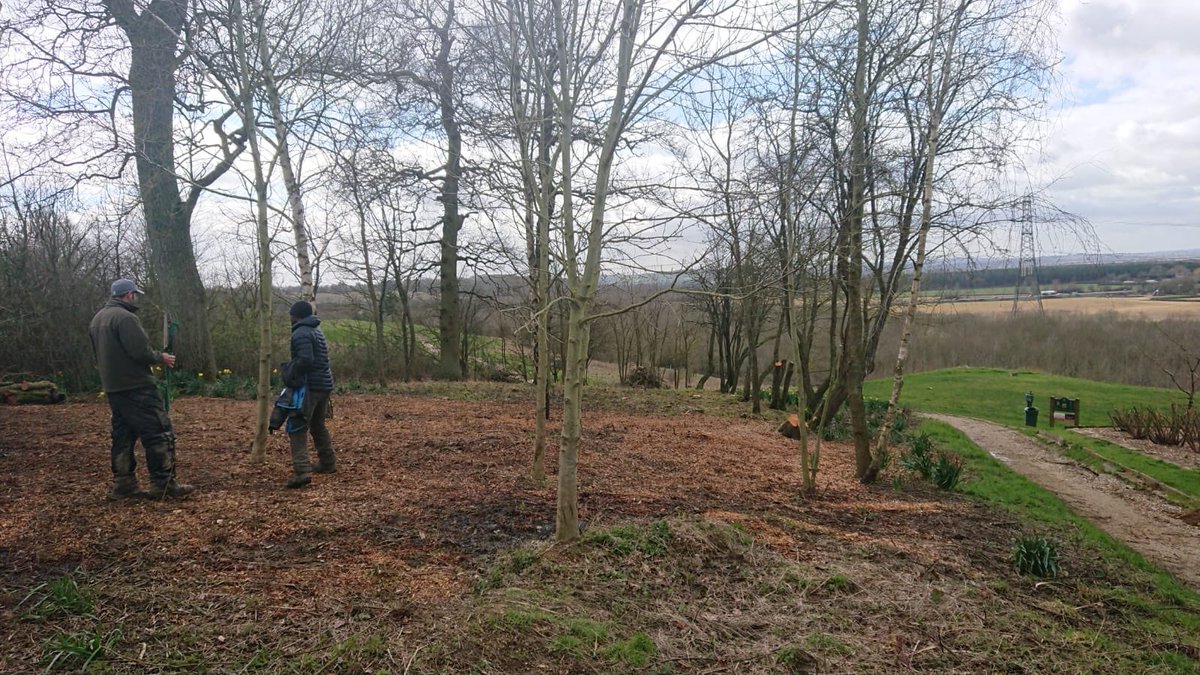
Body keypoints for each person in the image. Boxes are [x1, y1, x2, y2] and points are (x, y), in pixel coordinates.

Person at [89, 279, 195, 500]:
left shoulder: (97, 319)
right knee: (159, 433)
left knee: (123, 436)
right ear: (128, 295)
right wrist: (161, 357)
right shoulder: (126, 318)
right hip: (137, 386)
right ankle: (164, 485)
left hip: (114, 388)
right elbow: (140, 352)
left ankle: (124, 485)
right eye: (134, 294)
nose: (135, 298)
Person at [284, 300, 336, 488]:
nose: (289, 317)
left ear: (296, 315)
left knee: (297, 426)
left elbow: (305, 360)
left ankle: (302, 470)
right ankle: (328, 462)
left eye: (291, 314)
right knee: (317, 425)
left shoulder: (300, 332)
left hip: (310, 387)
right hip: (324, 384)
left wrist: (290, 370)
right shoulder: (316, 330)